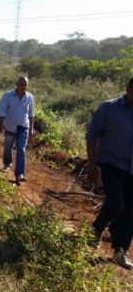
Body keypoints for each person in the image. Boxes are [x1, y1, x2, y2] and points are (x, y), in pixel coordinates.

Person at [86, 76, 133, 269]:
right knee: (116, 203)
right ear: (129, 89)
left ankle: (120, 251)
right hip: (111, 165)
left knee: (130, 211)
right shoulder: (108, 108)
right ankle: (97, 229)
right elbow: (92, 135)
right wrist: (91, 164)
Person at [0, 76, 34, 184]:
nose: (23, 87)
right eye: (21, 84)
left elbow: (31, 114)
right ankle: (7, 163)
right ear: (16, 84)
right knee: (8, 147)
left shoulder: (29, 97)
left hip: (23, 126)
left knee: (21, 149)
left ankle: (19, 174)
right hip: (10, 126)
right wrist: (1, 123)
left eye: (25, 85)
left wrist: (31, 128)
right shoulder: (8, 95)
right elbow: (1, 110)